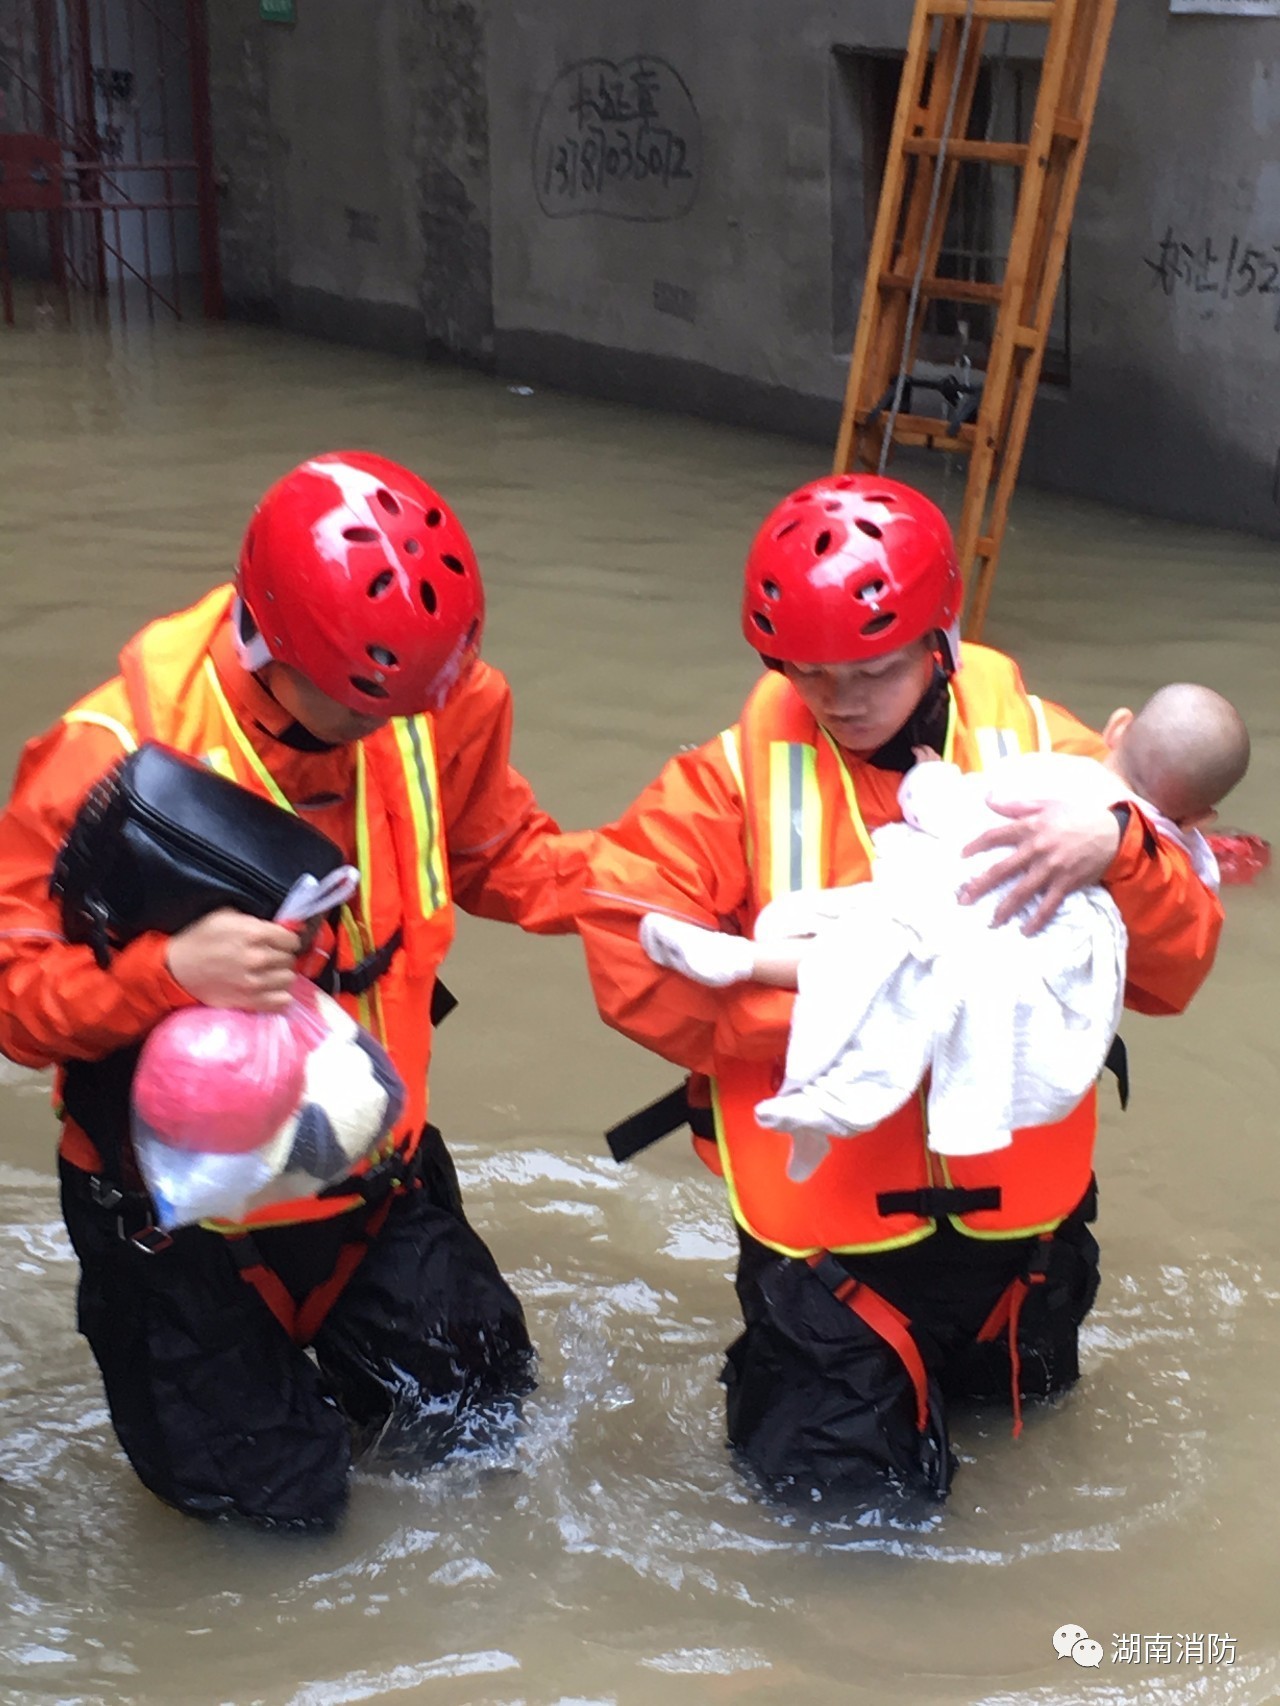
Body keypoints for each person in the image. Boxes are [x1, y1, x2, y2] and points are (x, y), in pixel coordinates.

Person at [571, 473, 1225, 1501]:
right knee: (853, 1534)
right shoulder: (725, 780)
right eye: (808, 671)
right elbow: (624, 954)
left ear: (939, 637)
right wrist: (864, 1011)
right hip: (827, 1263)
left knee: (1035, 1468)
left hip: (1022, 1251)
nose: (838, 698)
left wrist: (1119, 849)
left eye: (869, 669)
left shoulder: (1055, 762)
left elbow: (1173, 971)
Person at [0, 451, 583, 1530]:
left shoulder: (431, 692)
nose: (404, 722)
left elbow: (505, 853)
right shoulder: (104, 755)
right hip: (173, 1221)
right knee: (275, 1516)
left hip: (364, 1170)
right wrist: (168, 973)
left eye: (425, 693)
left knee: (489, 1422)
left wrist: (701, 909)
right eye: (372, 706)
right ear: (268, 649)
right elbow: (14, 995)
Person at [639, 684, 1248, 1179]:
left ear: (1116, 728)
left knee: (866, 947)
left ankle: (748, 961)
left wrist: (929, 779)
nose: (847, 694)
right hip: (1022, 942)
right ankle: (818, 1101)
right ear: (1198, 817)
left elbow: (958, 810)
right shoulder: (1176, 849)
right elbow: (1189, 919)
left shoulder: (1042, 762)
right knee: (916, 982)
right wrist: (1131, 842)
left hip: (951, 901)